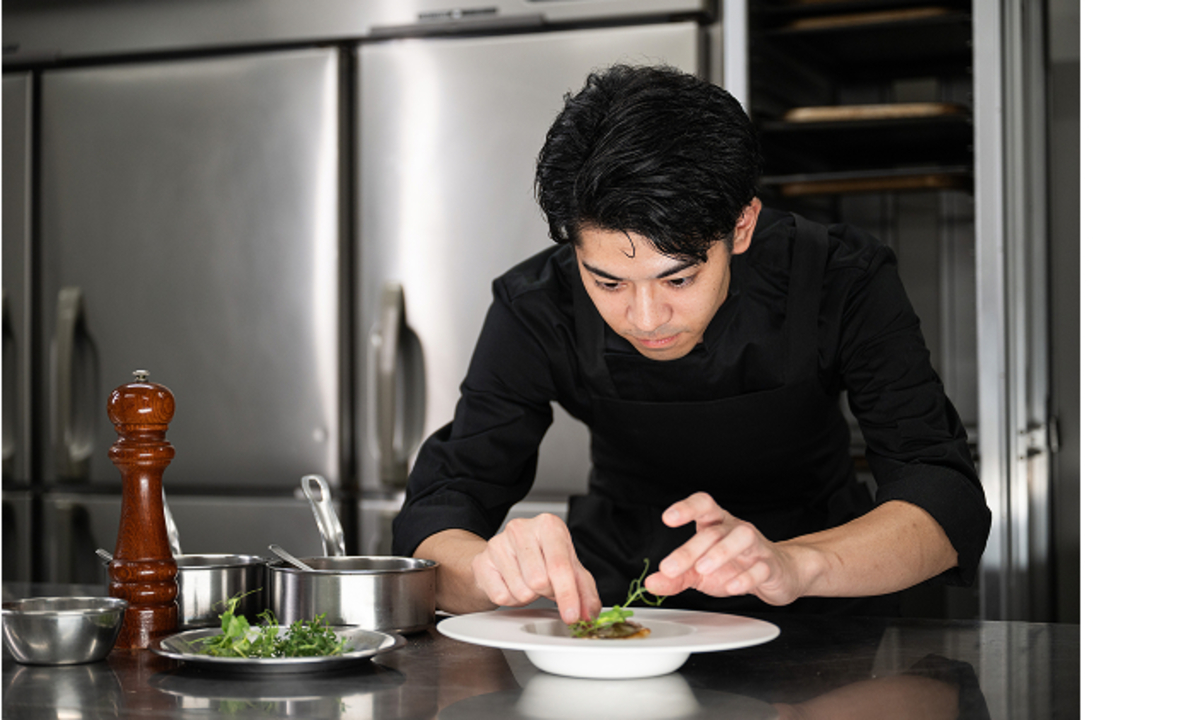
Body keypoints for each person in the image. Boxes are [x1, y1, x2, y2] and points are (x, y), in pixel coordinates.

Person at [392, 64, 990, 623]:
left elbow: (943, 500)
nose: (646, 317)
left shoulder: (841, 277)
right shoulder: (534, 306)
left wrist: (794, 564)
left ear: (742, 225)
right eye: (607, 281)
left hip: (822, 607)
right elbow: (440, 515)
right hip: (619, 612)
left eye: (678, 278)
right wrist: (490, 570)